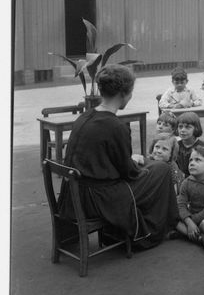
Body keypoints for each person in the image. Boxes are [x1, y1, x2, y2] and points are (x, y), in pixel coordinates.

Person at [57, 65, 177, 250]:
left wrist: (131, 160)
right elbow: (129, 173)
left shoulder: (85, 117)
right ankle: (159, 227)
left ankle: (157, 225)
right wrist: (137, 164)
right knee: (161, 170)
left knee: (151, 166)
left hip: (74, 194)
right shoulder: (116, 126)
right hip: (98, 199)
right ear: (124, 93)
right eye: (131, 93)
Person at [173, 146, 204, 245]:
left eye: (197, 160)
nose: (192, 163)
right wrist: (188, 221)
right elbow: (181, 204)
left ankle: (193, 235)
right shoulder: (187, 182)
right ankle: (201, 239)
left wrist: (191, 222)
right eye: (190, 160)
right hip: (191, 217)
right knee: (172, 217)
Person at [175, 112, 204, 178]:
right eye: (180, 127)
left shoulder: (201, 147)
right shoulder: (176, 145)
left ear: (196, 129)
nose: (183, 130)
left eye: (187, 127)